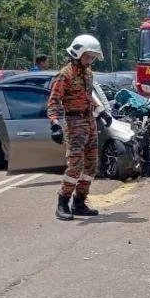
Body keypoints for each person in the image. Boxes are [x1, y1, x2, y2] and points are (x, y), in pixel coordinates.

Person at [47, 35, 113, 220]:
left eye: (92, 57)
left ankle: (79, 202)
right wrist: (54, 123)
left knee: (91, 166)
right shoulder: (64, 75)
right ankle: (62, 203)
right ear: (77, 53)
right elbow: (53, 101)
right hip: (74, 123)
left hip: (89, 122)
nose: (90, 60)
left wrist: (101, 111)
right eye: (88, 56)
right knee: (75, 167)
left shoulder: (88, 72)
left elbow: (88, 94)